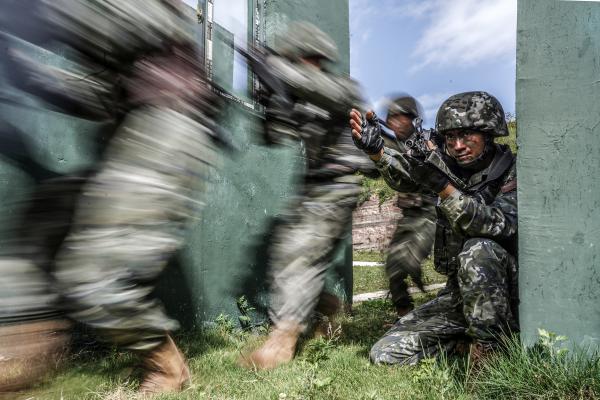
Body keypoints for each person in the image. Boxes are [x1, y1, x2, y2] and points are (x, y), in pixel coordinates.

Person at [1, 0, 225, 394]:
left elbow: (105, 24)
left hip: (171, 127)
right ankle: (22, 349)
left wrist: (35, 12)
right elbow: (93, 97)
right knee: (45, 212)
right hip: (137, 134)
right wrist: (26, 70)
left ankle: (167, 364)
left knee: (92, 276)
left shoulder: (138, 13)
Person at [350, 91, 518, 365]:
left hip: (504, 293)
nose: (458, 145)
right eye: (450, 138)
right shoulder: (450, 165)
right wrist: (377, 152)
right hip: (459, 293)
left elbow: (498, 224)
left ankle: (492, 353)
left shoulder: (511, 171)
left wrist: (443, 188)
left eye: (467, 136)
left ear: (488, 134)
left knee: (480, 250)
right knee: (385, 353)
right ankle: (465, 338)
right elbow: (409, 175)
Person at [243, 21, 368, 370]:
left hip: (338, 185)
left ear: (311, 58)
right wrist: (271, 101)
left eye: (297, 59)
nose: (296, 65)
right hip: (312, 187)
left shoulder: (343, 88)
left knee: (300, 254)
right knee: (288, 253)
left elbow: (318, 89)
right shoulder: (302, 93)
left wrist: (275, 68)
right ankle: (327, 308)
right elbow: (275, 137)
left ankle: (281, 342)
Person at [379, 95, 437, 317]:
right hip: (410, 214)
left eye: (399, 117)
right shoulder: (388, 143)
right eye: (390, 117)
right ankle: (403, 312)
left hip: (432, 212)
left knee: (409, 261)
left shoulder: (428, 140)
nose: (394, 122)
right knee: (394, 264)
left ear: (412, 119)